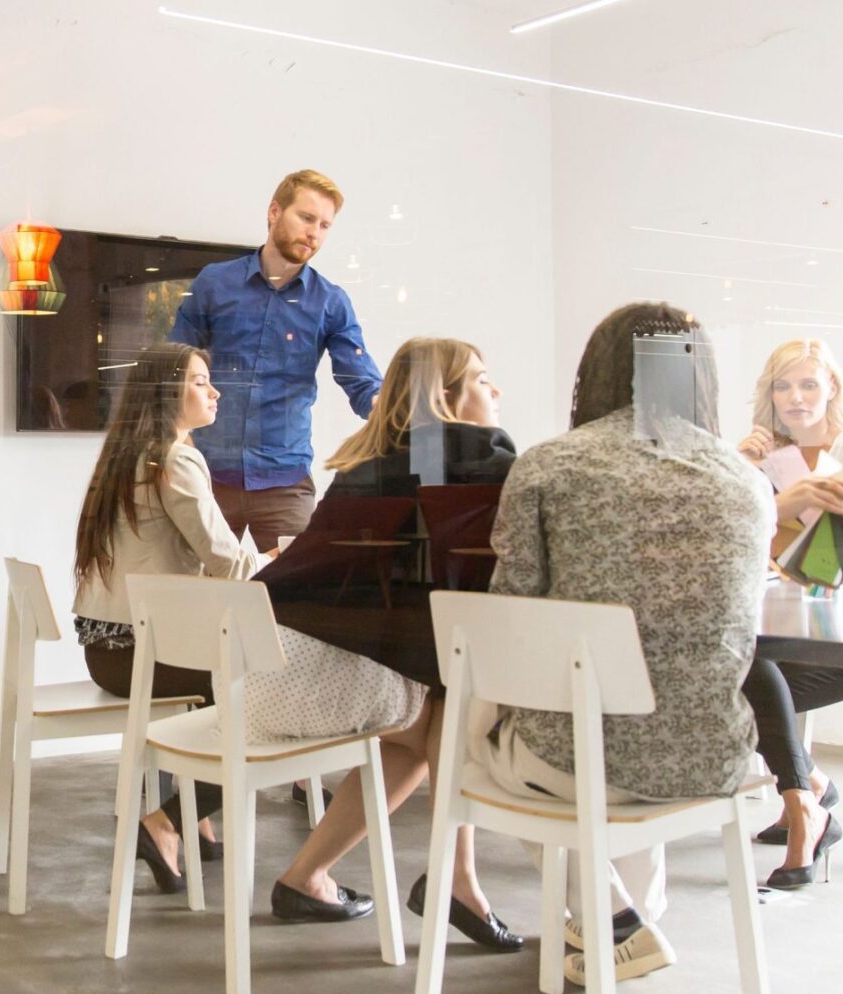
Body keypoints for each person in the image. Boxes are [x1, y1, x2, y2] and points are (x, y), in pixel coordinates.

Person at [480, 302, 774, 985]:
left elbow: (510, 620)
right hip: (709, 752)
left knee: (482, 739)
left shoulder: (550, 466)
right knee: (627, 732)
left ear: (599, 372)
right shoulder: (747, 481)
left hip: (577, 754)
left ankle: (613, 920)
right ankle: (619, 931)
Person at [255, 337, 524, 950]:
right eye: (482, 378)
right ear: (446, 396)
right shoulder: (482, 455)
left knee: (422, 730)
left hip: (263, 670)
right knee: (447, 713)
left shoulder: (364, 465)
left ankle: (307, 878)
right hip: (316, 682)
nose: (495, 390)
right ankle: (456, 880)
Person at [71, 342, 265, 889]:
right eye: (200, 381)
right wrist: (282, 560)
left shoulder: (127, 455)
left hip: (109, 654)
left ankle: (194, 821)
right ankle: (165, 823)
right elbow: (230, 563)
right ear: (166, 394)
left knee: (226, 685)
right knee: (266, 701)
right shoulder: (173, 459)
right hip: (143, 657)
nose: (215, 391)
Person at [733, 339, 843, 887]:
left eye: (808, 384)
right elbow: (740, 548)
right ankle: (808, 796)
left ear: (831, 388)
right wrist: (740, 472)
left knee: (742, 683)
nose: (796, 398)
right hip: (791, 622)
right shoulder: (764, 454)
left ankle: (807, 801)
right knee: (738, 670)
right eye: (783, 386)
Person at [170, 169, 383, 551]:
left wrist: (397, 411)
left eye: (324, 225)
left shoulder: (331, 302)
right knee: (194, 585)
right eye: (306, 218)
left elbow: (361, 382)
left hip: (286, 484)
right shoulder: (215, 283)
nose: (314, 233)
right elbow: (175, 367)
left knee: (295, 586)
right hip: (207, 476)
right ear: (274, 212)